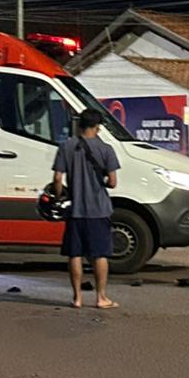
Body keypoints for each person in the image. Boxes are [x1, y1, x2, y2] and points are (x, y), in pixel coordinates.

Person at [51, 107, 120, 310]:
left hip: (75, 209)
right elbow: (113, 182)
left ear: (80, 124)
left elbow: (57, 178)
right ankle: (101, 297)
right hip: (98, 210)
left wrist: (58, 194)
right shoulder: (106, 149)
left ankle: (77, 298)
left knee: (75, 254)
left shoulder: (66, 146)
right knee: (100, 254)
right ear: (97, 127)